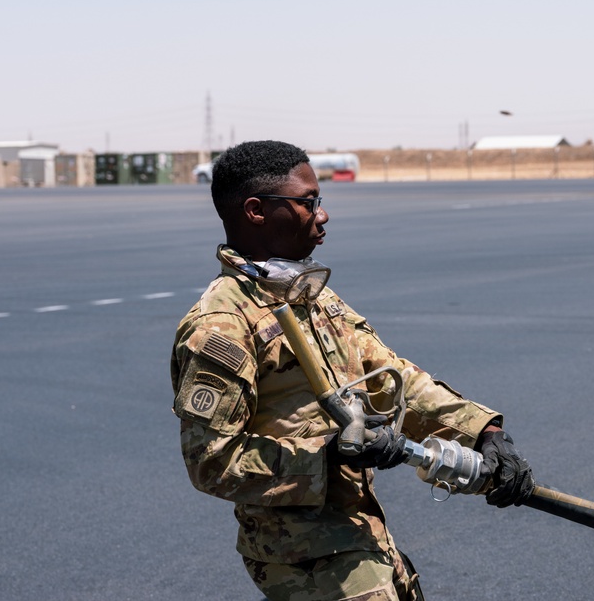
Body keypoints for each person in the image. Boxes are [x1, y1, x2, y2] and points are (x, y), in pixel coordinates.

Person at [171, 140, 534, 601]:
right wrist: (328, 457)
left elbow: (392, 379)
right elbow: (212, 462)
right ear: (256, 211)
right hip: (302, 558)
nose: (322, 215)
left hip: (359, 534)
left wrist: (483, 430)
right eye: (308, 203)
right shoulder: (221, 325)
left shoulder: (309, 295)